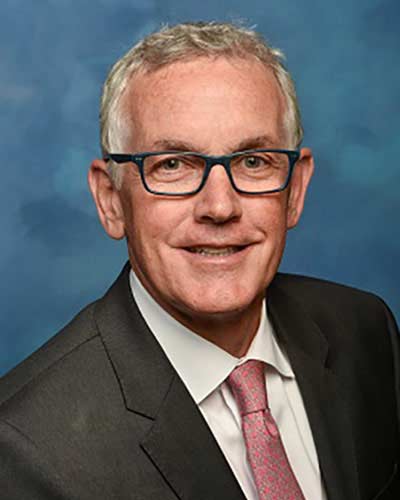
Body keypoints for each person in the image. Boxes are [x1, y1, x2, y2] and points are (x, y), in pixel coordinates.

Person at [0, 21, 399, 500]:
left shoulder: (365, 332)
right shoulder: (23, 449)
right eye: (172, 165)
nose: (220, 206)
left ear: (294, 190)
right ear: (110, 200)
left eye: (253, 161)